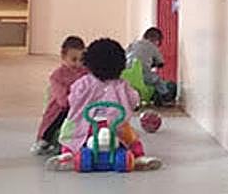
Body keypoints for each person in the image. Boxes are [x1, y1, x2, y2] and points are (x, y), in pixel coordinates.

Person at [46, 38, 161, 172]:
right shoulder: (122, 85)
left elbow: (73, 99)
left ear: (89, 62)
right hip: (115, 126)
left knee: (70, 134)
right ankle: (138, 156)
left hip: (87, 126)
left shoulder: (84, 83)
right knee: (132, 139)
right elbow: (134, 99)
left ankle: (67, 153)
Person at [32, 35, 86, 156]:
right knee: (63, 114)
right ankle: (45, 139)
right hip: (62, 109)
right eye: (74, 59)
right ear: (63, 57)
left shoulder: (86, 72)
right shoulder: (57, 76)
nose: (78, 64)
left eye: (81, 60)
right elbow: (62, 101)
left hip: (82, 107)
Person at [126, 27, 177, 106]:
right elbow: (161, 62)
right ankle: (165, 97)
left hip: (127, 73)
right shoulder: (153, 47)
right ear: (157, 41)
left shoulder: (133, 44)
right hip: (142, 74)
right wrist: (155, 64)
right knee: (157, 80)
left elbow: (125, 55)